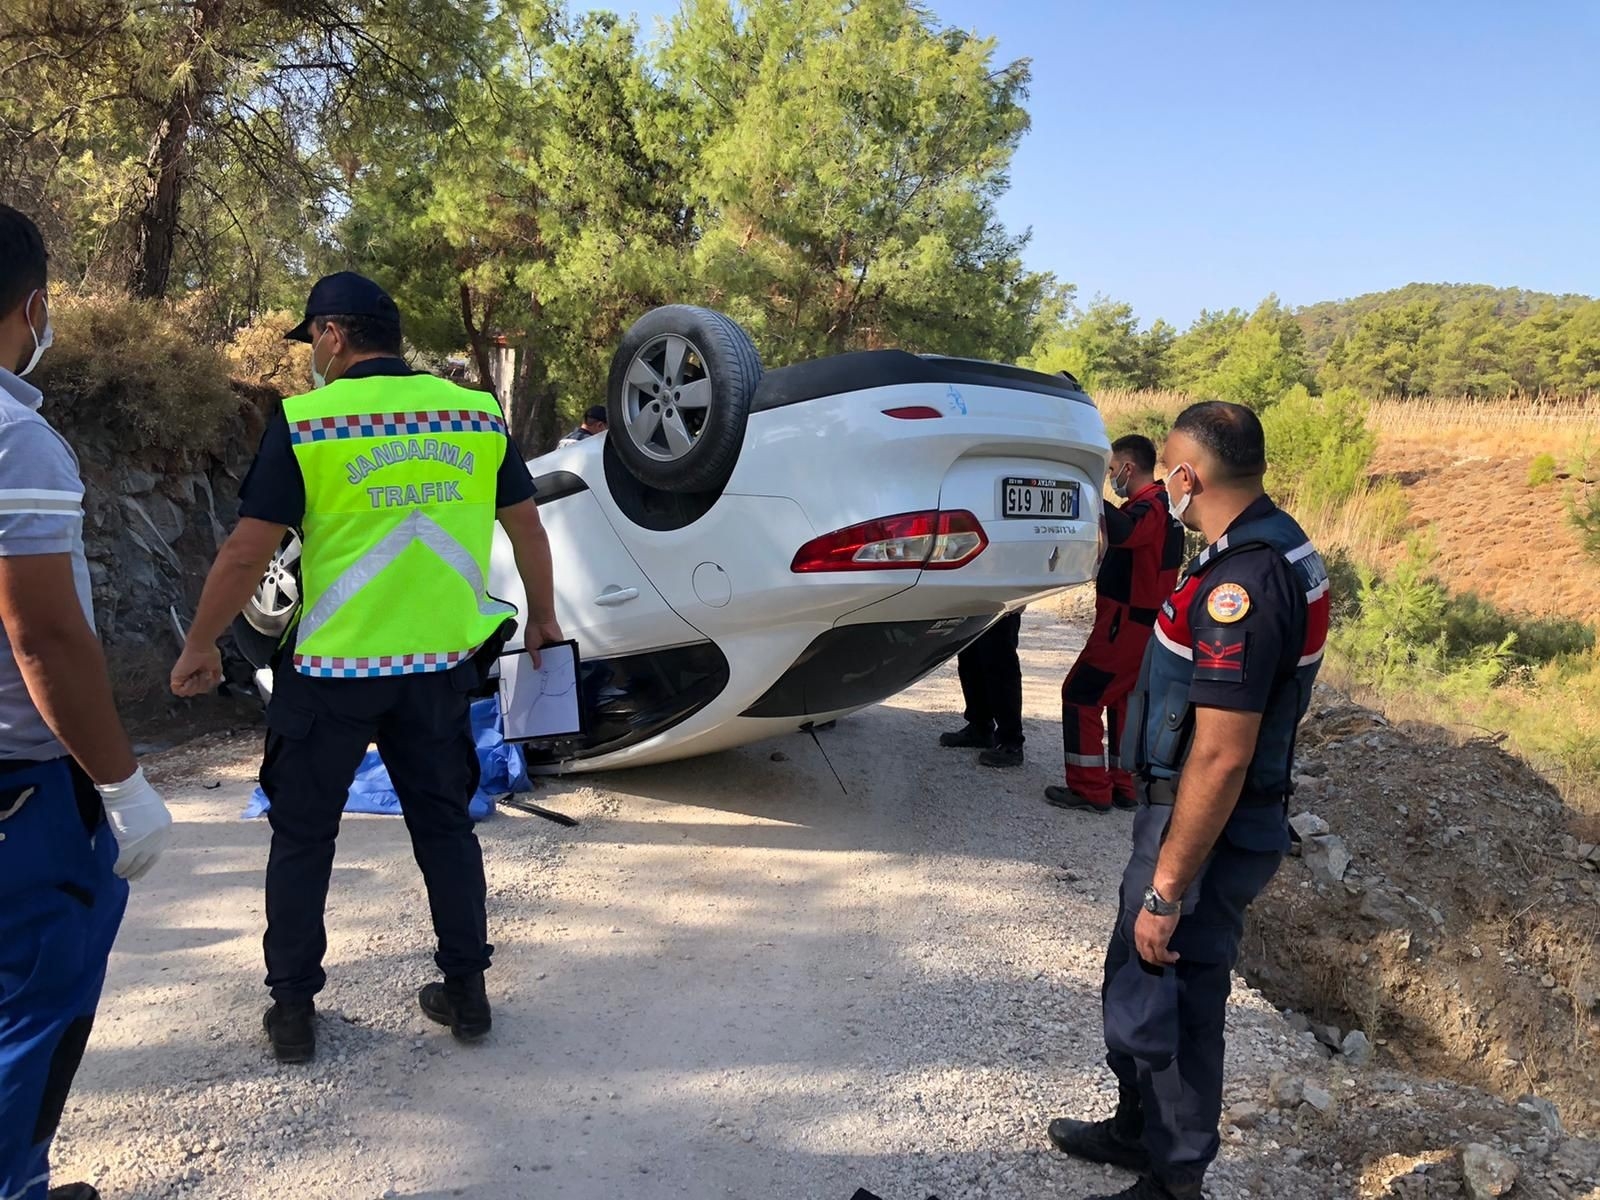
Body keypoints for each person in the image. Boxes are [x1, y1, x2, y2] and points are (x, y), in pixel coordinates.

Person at [170, 272, 563, 1063]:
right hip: (437, 670)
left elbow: (248, 551)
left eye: (312, 339)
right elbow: (526, 527)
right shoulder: (474, 415)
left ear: (334, 335)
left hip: (330, 674)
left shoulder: (307, 422)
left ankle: (292, 1011)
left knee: (303, 838)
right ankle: (468, 994)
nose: (311, 355)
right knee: (445, 830)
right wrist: (545, 619)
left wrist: (201, 642)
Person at [1047, 402, 1330, 1200]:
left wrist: (1168, 889)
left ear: (1187, 476)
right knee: (1137, 984)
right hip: (1193, 818)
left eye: (1169, 468)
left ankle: (1173, 1180)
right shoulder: (1271, 542)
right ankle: (1136, 1130)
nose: (1164, 483)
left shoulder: (1244, 582)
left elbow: (1222, 750)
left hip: (1204, 827)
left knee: (1171, 1005)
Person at [0, 205, 174, 1200]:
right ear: (33, 307)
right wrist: (122, 785)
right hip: (22, 795)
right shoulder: (16, 443)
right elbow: (44, 636)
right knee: (37, 1004)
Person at [1047, 435, 1183, 813]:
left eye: (1111, 470)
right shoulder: (1161, 506)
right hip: (1139, 622)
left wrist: (1085, 492)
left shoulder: (1152, 507)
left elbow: (1126, 532)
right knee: (1121, 700)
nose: (1111, 477)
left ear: (1128, 467)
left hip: (1127, 623)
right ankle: (1123, 786)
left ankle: (1090, 788)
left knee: (1082, 694)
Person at [939, 609, 1025, 768]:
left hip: (1002, 603)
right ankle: (980, 729)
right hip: (973, 604)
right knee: (970, 660)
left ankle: (1011, 743)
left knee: (1000, 665)